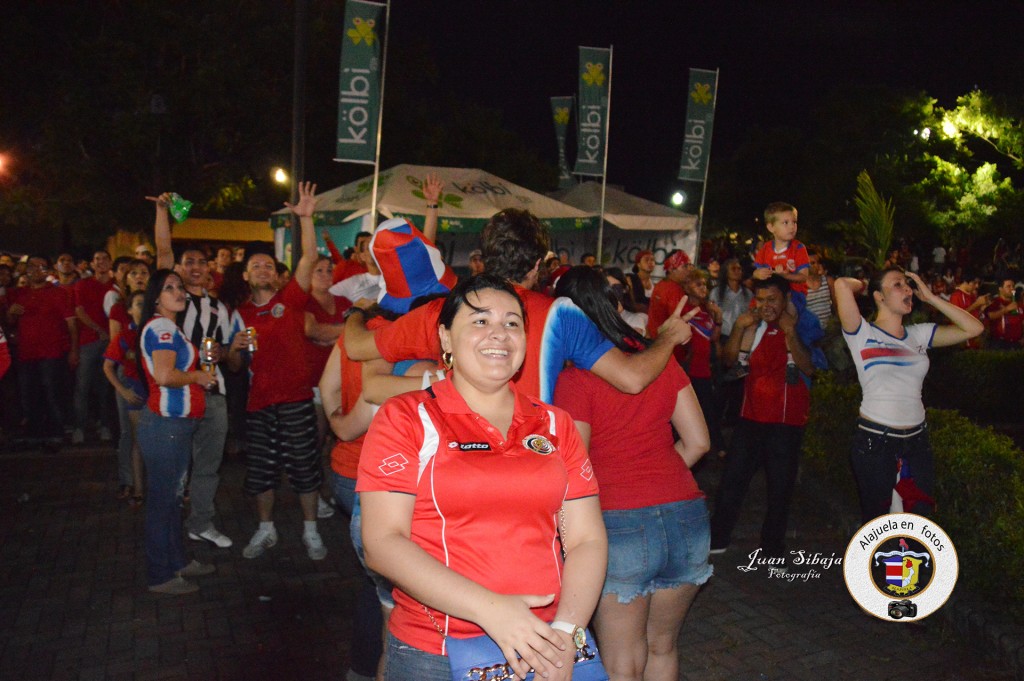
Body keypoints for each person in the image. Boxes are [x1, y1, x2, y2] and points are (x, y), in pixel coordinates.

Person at [358, 273, 608, 680]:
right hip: (438, 652)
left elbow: (586, 539)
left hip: (547, 645)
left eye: (512, 323)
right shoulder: (407, 418)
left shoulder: (555, 424)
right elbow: (383, 543)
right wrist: (494, 611)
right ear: (445, 338)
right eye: (480, 320)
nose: (500, 334)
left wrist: (565, 632)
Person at [343, 208, 695, 405]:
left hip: (456, 472)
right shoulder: (562, 314)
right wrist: (667, 337)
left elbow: (357, 347)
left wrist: (358, 312)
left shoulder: (445, 309)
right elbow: (632, 379)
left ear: (487, 255)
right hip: (531, 472)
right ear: (539, 262)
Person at [552, 267, 711, 681]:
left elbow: (577, 463)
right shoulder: (659, 361)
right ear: (618, 307)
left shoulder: (574, 380)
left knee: (623, 659)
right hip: (686, 516)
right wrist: (655, 477)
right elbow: (697, 443)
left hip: (617, 523)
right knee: (663, 647)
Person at [834, 268, 984, 523]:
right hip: (876, 443)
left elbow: (974, 328)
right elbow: (840, 285)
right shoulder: (862, 334)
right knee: (879, 527)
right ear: (879, 297)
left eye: (908, 284)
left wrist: (932, 298)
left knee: (918, 524)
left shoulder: (919, 334)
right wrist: (866, 283)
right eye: (897, 285)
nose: (907, 289)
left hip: (917, 443)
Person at [234, 181, 327, 561]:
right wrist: (233, 350)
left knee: (305, 467)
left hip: (296, 399)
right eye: (255, 265)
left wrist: (306, 218)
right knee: (262, 472)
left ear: (276, 276)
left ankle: (311, 532)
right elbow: (235, 366)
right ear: (245, 276)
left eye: (268, 266)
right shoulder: (237, 314)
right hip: (259, 403)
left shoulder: (289, 301)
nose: (262, 269)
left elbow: (308, 258)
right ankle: (266, 530)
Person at [152, 193, 241, 549]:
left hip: (213, 394)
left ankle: (200, 522)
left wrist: (224, 353)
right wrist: (162, 212)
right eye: (187, 262)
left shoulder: (221, 308)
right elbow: (162, 252)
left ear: (209, 269)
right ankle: (169, 528)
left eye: (200, 263)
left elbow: (231, 357)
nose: (194, 268)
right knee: (175, 468)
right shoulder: (175, 300)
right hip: (177, 393)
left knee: (207, 465)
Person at [709, 276, 815, 559]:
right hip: (750, 419)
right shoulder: (752, 326)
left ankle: (772, 548)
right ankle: (717, 539)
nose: (766, 306)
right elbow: (729, 362)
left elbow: (809, 367)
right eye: (761, 300)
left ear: (786, 299)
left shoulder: (804, 323)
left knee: (780, 490)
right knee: (732, 482)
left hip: (786, 424)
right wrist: (738, 329)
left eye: (772, 300)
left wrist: (791, 333)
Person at [137, 269, 217, 594]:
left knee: (172, 500)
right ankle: (160, 574)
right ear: (156, 297)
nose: (179, 291)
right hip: (165, 426)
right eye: (169, 288)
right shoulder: (162, 327)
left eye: (180, 286)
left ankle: (177, 561)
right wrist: (198, 377)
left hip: (174, 426)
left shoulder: (170, 327)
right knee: (164, 501)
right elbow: (165, 376)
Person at [6, 255, 78, 448]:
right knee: (29, 394)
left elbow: (71, 323)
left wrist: (73, 350)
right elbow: (11, 323)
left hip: (52, 352)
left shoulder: (58, 293)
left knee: (52, 393)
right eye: (33, 266)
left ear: (48, 271)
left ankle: (56, 432)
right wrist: (10, 313)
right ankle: (35, 433)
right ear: (26, 269)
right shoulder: (18, 294)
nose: (37, 270)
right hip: (26, 352)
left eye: (42, 267)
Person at [103, 290, 147, 504]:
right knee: (139, 442)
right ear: (129, 310)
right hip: (137, 392)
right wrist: (123, 390)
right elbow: (108, 367)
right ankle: (138, 489)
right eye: (139, 304)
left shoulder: (161, 331)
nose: (144, 307)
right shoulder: (125, 336)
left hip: (158, 391)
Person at [72, 249, 116, 444]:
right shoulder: (82, 285)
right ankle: (78, 427)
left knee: (105, 387)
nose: (101, 262)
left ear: (110, 262)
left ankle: (105, 425)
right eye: (97, 259)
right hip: (88, 342)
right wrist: (98, 329)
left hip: (111, 343)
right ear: (91, 264)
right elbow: (79, 312)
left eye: (105, 259)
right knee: (82, 386)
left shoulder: (116, 287)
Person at [984, 279, 1021, 349]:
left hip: (1017, 343)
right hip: (999, 343)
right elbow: (990, 316)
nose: (1012, 288)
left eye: (1013, 286)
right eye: (1008, 286)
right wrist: (1006, 309)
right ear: (1000, 289)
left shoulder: (1018, 304)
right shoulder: (994, 302)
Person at [805, 247, 834, 328]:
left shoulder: (828, 281)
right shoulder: (799, 286)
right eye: (813, 263)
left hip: (829, 330)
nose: (817, 265)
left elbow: (836, 304)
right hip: (809, 331)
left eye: (818, 262)